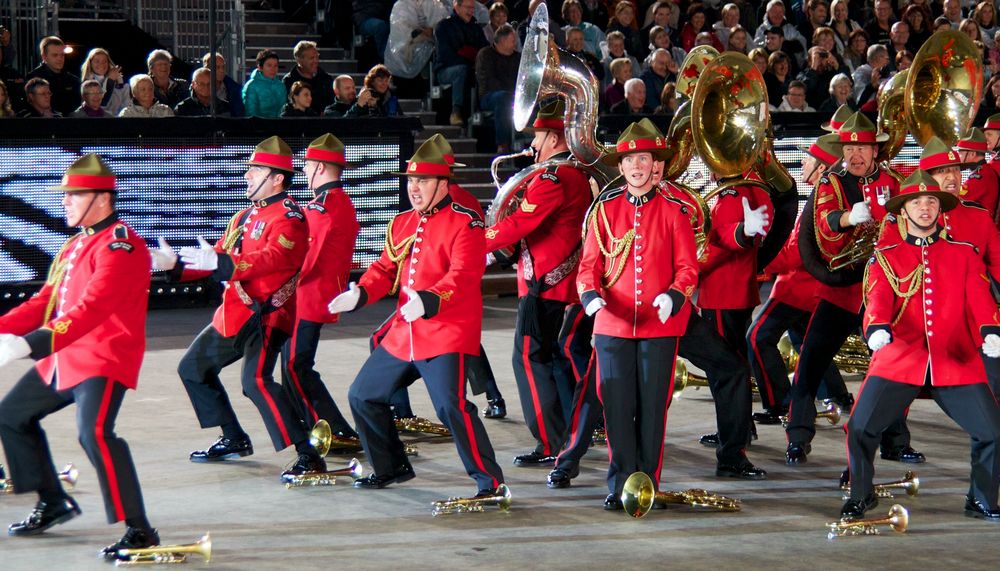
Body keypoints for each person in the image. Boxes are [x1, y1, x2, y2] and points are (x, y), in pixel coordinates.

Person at [0, 154, 160, 558]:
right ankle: (53, 501)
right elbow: (45, 301)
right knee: (11, 415)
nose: (65, 203)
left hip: (103, 357)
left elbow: (91, 309)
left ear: (102, 198)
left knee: (95, 434)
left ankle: (140, 529)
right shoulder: (76, 243)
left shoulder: (122, 244)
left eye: (73, 195)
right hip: (65, 354)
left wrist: (28, 345)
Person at [329, 139, 506, 497]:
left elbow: (463, 275)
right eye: (411, 181)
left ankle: (492, 483)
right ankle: (390, 467)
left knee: (450, 408)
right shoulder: (402, 223)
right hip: (404, 333)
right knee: (363, 395)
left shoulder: (465, 223)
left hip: (445, 331)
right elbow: (383, 268)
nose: (414, 188)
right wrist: (360, 293)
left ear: (444, 184)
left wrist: (428, 300)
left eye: (423, 181)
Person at [150, 136, 325, 480]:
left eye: (255, 169)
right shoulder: (244, 216)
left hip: (267, 317)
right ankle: (233, 437)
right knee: (192, 368)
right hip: (235, 312)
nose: (247, 175)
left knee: (256, 381)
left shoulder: (291, 218)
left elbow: (273, 259)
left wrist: (222, 262)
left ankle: (309, 454)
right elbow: (216, 257)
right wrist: (177, 266)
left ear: (276, 177)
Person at [842, 168, 1000, 522]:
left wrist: (992, 331)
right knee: (859, 427)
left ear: (940, 208)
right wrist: (876, 329)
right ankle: (861, 494)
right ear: (903, 210)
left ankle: (981, 499)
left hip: (954, 357)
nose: (925, 207)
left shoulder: (964, 253)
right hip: (902, 356)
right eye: (917, 201)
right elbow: (877, 299)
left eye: (931, 201)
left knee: (993, 432)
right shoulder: (887, 254)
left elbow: (980, 300)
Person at [576, 120, 698, 509]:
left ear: (654, 164)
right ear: (622, 166)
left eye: (643, 158)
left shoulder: (675, 212)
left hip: (658, 326)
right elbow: (588, 267)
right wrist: (591, 297)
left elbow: (688, 269)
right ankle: (619, 484)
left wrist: (675, 296)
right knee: (616, 407)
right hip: (612, 323)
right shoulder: (604, 213)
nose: (636, 166)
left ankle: (647, 481)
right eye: (629, 159)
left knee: (651, 409)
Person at [784, 112, 902, 465]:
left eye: (862, 147)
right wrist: (850, 217)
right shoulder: (830, 184)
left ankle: (896, 441)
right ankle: (798, 437)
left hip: (883, 289)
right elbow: (824, 224)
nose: (855, 154)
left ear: (875, 150)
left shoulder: (894, 180)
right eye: (849, 147)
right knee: (810, 364)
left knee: (892, 365)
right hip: (842, 290)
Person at [484, 99, 592, 467]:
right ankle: (570, 434)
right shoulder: (565, 174)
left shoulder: (554, 177)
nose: (532, 144)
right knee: (552, 359)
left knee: (529, 360)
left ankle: (550, 442)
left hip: (544, 287)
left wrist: (477, 241)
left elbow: (520, 225)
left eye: (538, 136)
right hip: (556, 283)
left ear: (553, 136)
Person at [280, 134, 361, 443]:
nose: (304, 171)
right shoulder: (339, 203)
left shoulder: (322, 207)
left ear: (320, 168)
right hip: (318, 294)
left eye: (308, 165)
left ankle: (332, 429)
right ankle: (322, 427)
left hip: (308, 296)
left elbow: (305, 259)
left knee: (295, 365)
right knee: (295, 366)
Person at [434, 0, 489, 126]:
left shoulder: (476, 28)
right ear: (457, 7)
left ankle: (483, 109)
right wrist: (468, 60)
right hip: (446, 70)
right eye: (467, 8)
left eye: (472, 8)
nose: (471, 11)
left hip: (471, 68)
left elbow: (484, 49)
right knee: (461, 70)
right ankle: (456, 111)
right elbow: (445, 54)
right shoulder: (443, 26)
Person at [476, 23, 519, 152]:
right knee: (504, 98)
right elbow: (488, 80)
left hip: (514, 95)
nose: (515, 44)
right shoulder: (485, 54)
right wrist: (512, 92)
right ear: (502, 41)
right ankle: (503, 143)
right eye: (512, 41)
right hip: (490, 96)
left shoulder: (517, 57)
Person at [384, 0, 450, 80]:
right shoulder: (402, 4)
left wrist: (432, 31)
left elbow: (442, 24)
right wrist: (423, 33)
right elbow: (403, 31)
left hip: (431, 45)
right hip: (407, 48)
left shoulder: (433, 4)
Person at [26, 36, 80, 116]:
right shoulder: (33, 78)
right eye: (55, 55)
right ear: (44, 56)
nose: (60, 58)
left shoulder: (73, 80)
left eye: (62, 55)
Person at [958, 127, 1000, 221]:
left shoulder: (980, 176)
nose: (958, 157)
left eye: (961, 153)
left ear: (972, 154)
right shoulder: (985, 171)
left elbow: (957, 201)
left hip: (980, 229)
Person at [282, 41, 334, 114]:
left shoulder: (326, 79)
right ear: (299, 60)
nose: (316, 61)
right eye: (312, 58)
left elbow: (331, 104)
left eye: (317, 57)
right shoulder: (289, 81)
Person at [80, 48, 130, 117]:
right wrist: (110, 82)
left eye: (105, 61)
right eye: (97, 61)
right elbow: (100, 105)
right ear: (90, 64)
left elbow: (126, 105)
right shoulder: (85, 84)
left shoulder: (119, 81)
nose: (101, 64)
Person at [243, 49, 286, 118]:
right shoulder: (251, 86)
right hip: (258, 127)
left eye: (275, 66)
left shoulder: (281, 86)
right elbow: (251, 113)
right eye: (269, 65)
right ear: (260, 67)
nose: (273, 69)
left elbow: (282, 111)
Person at [201, 52, 244, 117]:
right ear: (206, 69)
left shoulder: (235, 89)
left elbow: (239, 115)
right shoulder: (197, 87)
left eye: (223, 67)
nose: (222, 70)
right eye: (217, 67)